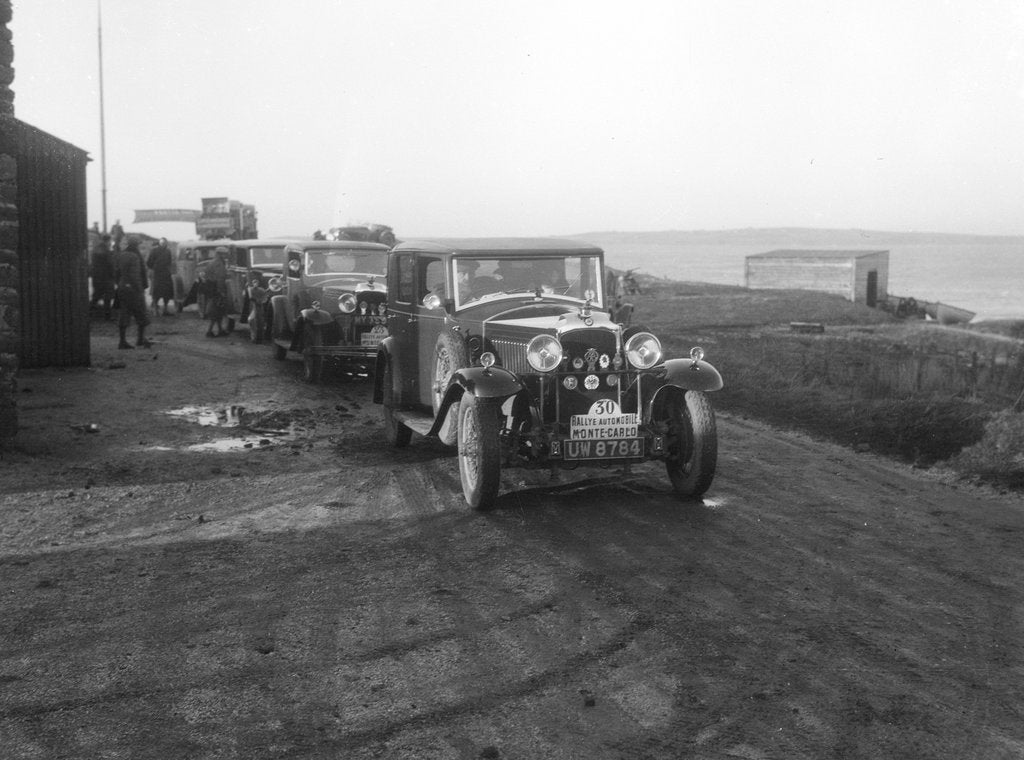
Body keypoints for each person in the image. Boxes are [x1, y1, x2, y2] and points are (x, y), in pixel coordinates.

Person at [114, 238, 152, 349]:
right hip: (134, 290)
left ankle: (122, 341)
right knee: (141, 313)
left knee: (124, 313)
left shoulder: (121, 255)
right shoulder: (135, 257)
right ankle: (140, 339)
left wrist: (121, 284)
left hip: (122, 287)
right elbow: (135, 275)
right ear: (136, 246)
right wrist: (139, 288)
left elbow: (116, 272)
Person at [203, 247, 230, 337]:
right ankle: (209, 331)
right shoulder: (218, 264)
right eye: (223, 254)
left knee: (218, 311)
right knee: (216, 311)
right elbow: (220, 278)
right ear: (219, 254)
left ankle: (219, 330)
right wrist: (221, 291)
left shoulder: (212, 262)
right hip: (216, 290)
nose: (225, 255)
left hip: (211, 289)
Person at [88, 234, 116, 320]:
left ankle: (88, 312)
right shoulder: (106, 250)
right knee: (107, 297)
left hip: (97, 276)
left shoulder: (96, 248)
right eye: (110, 241)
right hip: (106, 277)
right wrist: (113, 274)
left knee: (96, 295)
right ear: (108, 240)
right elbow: (110, 264)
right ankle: (107, 316)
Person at [146, 237, 176, 316]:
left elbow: (169, 262)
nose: (163, 245)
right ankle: (156, 310)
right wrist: (154, 268)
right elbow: (149, 263)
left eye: (164, 243)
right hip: (158, 273)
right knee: (157, 291)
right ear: (160, 243)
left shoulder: (167, 251)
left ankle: (164, 309)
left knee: (166, 291)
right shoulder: (155, 251)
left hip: (164, 274)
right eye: (162, 243)